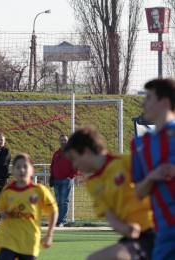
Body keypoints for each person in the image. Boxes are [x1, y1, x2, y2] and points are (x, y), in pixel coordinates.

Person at [64, 126, 154, 260]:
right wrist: (124, 228)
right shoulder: (92, 184)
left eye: (74, 159)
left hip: (156, 229)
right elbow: (109, 215)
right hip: (134, 236)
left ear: (87, 152)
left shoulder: (126, 161)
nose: (74, 165)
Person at [131, 78, 175, 260]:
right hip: (164, 234)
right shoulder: (139, 144)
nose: (143, 104)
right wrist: (152, 177)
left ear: (164, 102)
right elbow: (139, 193)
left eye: (148, 98)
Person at [0, 153, 58, 260]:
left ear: (32, 170)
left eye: (25, 167)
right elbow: (2, 208)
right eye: (18, 167)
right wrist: (3, 212)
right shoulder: (7, 191)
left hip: (29, 241)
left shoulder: (39, 190)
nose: (21, 170)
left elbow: (53, 210)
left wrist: (49, 234)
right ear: (12, 171)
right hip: (9, 240)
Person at [50, 134, 78, 227]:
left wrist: (70, 176)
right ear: (59, 141)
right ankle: (57, 220)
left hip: (66, 180)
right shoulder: (56, 153)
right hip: (57, 180)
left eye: (65, 140)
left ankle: (62, 221)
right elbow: (52, 165)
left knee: (64, 201)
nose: (63, 142)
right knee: (58, 201)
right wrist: (52, 176)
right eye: (61, 140)